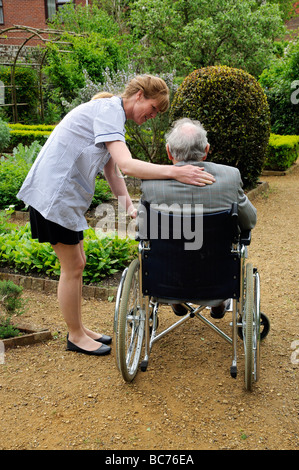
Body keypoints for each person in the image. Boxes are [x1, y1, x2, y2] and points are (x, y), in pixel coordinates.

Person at [17, 76, 215, 357]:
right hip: (53, 198)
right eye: (154, 108)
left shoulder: (110, 116)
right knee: (72, 269)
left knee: (78, 264)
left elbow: (112, 171)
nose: (153, 116)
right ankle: (75, 336)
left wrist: (129, 208)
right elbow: (127, 164)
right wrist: (175, 171)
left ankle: (80, 329)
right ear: (139, 96)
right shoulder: (109, 112)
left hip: (61, 199)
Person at [140, 117, 257, 319]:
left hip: (166, 281)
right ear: (206, 150)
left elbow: (142, 229)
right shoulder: (230, 177)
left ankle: (175, 298)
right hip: (217, 281)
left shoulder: (151, 184)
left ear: (168, 151)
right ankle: (218, 302)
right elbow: (249, 221)